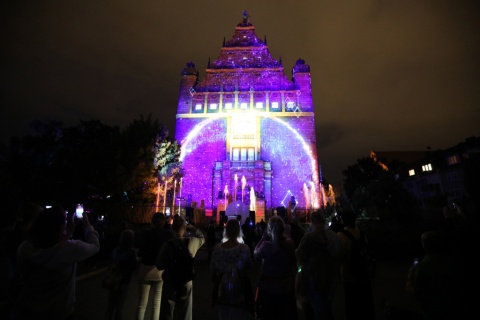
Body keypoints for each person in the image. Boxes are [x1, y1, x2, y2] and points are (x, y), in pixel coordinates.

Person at [11, 206, 100, 320]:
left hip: (28, 308)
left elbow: (50, 241)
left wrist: (69, 231)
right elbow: (95, 245)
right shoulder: (70, 249)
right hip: (58, 312)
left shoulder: (25, 248)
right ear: (61, 226)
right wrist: (87, 224)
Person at [405, 231, 463, 320]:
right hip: (455, 309)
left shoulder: (423, 266)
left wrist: (410, 279)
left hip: (434, 312)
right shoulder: (453, 261)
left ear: (424, 245)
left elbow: (417, 291)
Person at [157, 215, 205, 320]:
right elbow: (202, 238)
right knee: (185, 312)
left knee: (167, 311)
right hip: (186, 280)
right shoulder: (191, 242)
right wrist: (194, 229)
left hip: (170, 279)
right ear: (185, 228)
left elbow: (160, 265)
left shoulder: (167, 245)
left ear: (172, 228)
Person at [296, 210, 341, 320]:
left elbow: (299, 255)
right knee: (326, 306)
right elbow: (339, 254)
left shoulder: (309, 237)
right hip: (331, 275)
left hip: (314, 276)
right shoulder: (334, 236)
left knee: (316, 307)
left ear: (313, 221)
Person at [254, 216, 298, 320]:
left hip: (267, 289)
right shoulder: (290, 243)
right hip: (286, 288)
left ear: (269, 230)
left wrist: (264, 236)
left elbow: (255, 253)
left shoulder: (265, 245)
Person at [211, 219, 253, 320]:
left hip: (222, 288)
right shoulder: (244, 249)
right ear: (239, 231)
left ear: (226, 230)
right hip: (239, 288)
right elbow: (250, 267)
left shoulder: (218, 249)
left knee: (223, 315)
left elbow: (212, 269)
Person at [336, 210, 375, 320]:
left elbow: (339, 255)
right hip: (364, 273)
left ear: (343, 221)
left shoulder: (341, 235)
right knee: (366, 302)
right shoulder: (361, 234)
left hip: (350, 275)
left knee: (352, 304)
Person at [136, 212, 174, 320]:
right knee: (156, 304)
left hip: (145, 268)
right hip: (159, 271)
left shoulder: (144, 233)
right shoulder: (167, 234)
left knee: (141, 305)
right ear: (163, 222)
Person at [105, 228, 138, 320]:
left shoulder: (116, 250)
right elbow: (134, 267)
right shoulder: (131, 252)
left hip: (113, 279)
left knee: (110, 305)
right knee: (119, 307)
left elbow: (110, 263)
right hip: (124, 281)